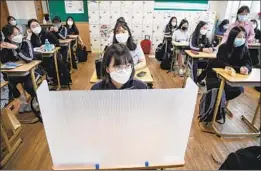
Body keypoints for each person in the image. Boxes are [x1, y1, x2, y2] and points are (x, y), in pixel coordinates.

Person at [206, 26, 252, 101]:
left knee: (238, 89)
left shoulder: (244, 49)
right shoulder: (223, 47)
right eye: (239, 37)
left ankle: (220, 104)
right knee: (225, 91)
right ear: (232, 37)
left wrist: (246, 68)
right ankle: (217, 104)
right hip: (216, 76)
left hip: (233, 77)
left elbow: (248, 62)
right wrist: (239, 69)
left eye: (244, 37)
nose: (242, 39)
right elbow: (223, 64)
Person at [1, 24, 36, 112]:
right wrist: (2, 50)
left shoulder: (25, 42)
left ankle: (35, 101)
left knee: (29, 86)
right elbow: (4, 61)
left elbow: (29, 59)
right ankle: (23, 102)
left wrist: (16, 48)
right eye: (14, 35)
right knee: (9, 85)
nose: (18, 36)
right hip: (15, 72)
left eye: (18, 33)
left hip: (31, 71)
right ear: (8, 37)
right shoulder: (6, 44)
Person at [27, 19, 71, 86]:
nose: (36, 27)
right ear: (29, 29)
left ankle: (56, 80)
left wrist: (48, 45)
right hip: (38, 58)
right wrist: (29, 36)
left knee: (52, 64)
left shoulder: (47, 33)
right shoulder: (31, 37)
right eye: (33, 26)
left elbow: (57, 44)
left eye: (37, 25)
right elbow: (27, 49)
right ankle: (42, 81)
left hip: (51, 56)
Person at [189, 21, 214, 85]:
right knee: (194, 64)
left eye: (206, 29)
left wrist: (211, 48)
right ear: (199, 28)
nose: (205, 30)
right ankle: (194, 84)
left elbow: (210, 46)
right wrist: (202, 49)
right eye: (203, 28)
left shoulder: (206, 38)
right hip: (193, 60)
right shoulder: (193, 36)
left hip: (202, 60)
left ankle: (199, 79)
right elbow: (191, 47)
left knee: (211, 64)